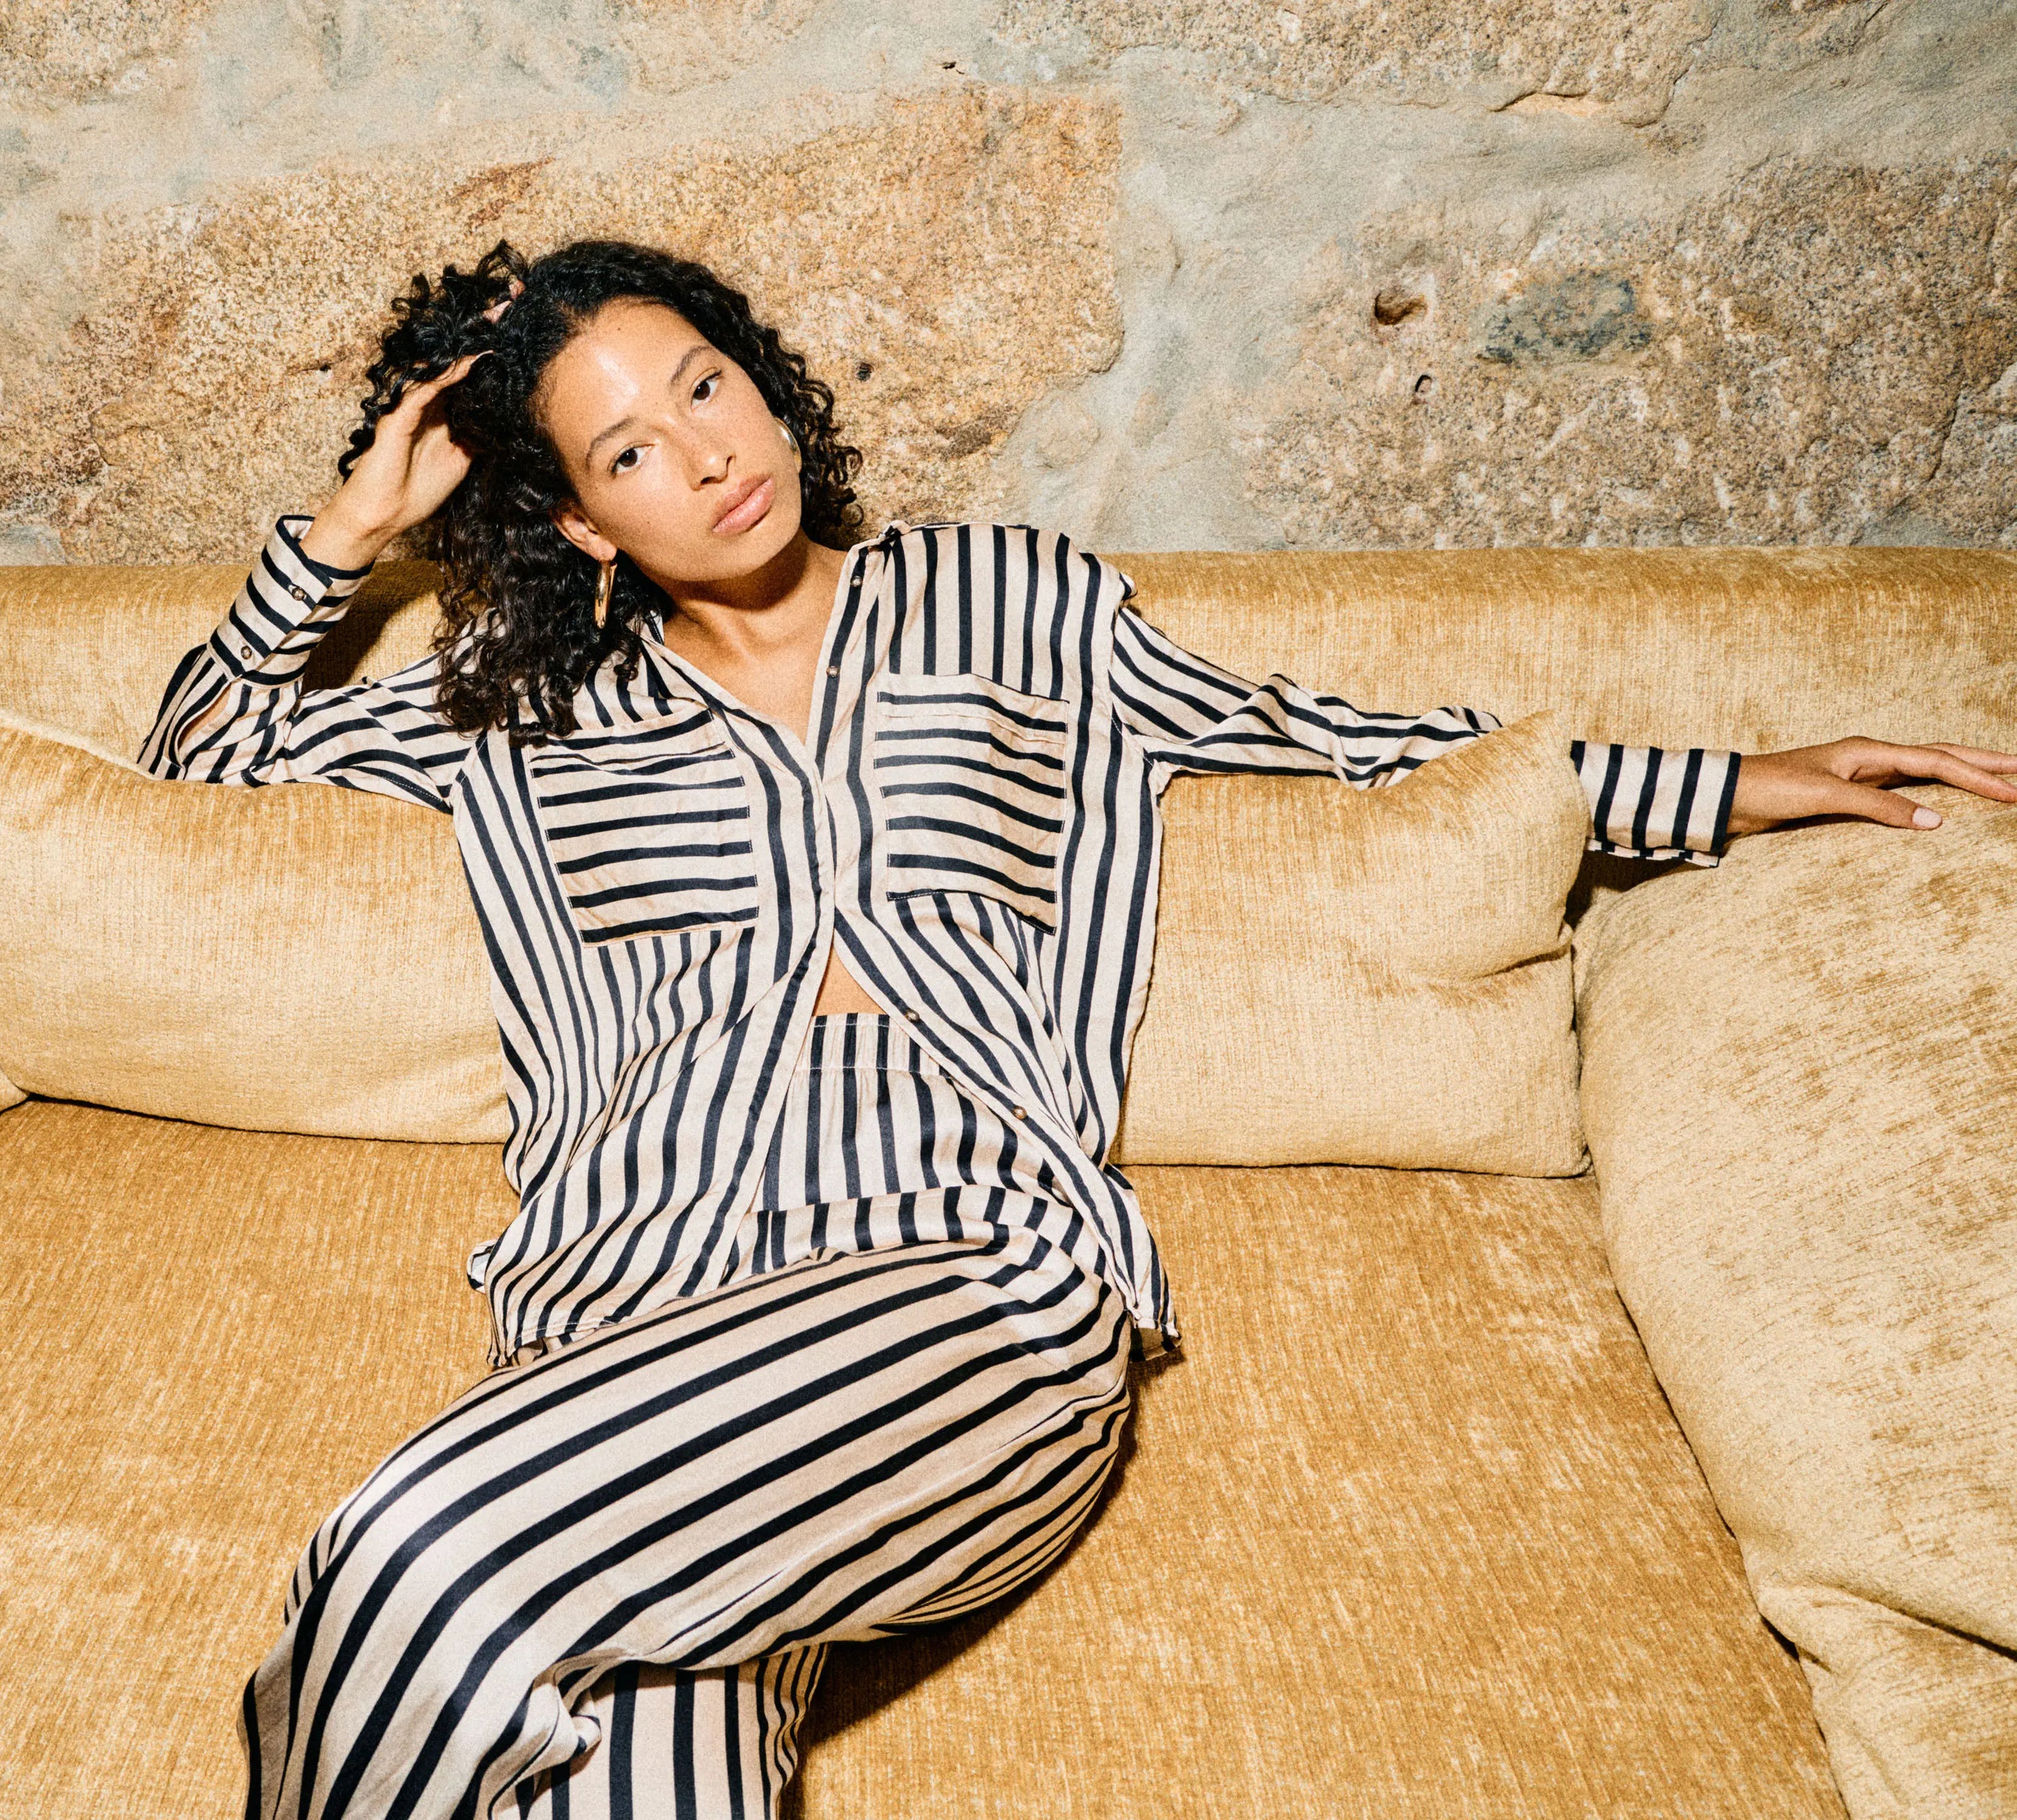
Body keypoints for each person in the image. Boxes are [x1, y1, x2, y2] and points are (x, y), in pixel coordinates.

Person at [139, 237, 2017, 1820]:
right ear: (577, 517)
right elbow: (192, 770)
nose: (706, 456)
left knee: (418, 1555)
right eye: (631, 448)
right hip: (617, 1322)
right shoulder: (523, 708)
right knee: (639, 1774)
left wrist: (1744, 775)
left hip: (963, 1281)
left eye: (707, 384)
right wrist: (345, 534)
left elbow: (1346, 737)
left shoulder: (1013, 604)